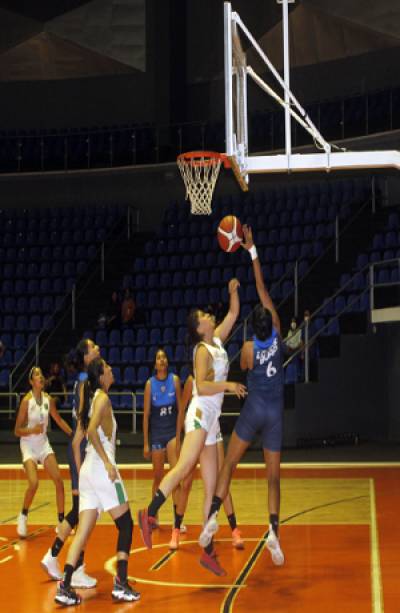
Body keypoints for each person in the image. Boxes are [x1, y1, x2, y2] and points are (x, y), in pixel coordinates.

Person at [137, 278, 246, 577]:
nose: (210, 317)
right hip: (199, 412)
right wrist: (228, 384)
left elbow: (234, 314)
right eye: (204, 317)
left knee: (212, 487)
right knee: (184, 467)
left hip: (212, 420)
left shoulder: (219, 342)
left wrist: (233, 292)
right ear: (199, 328)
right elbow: (201, 385)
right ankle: (148, 513)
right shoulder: (201, 349)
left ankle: (207, 550)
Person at [199, 225, 285, 573]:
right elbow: (263, 289)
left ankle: (212, 519)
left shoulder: (248, 348)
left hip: (252, 410)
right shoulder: (278, 334)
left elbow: (246, 366)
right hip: (275, 413)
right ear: (273, 323)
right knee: (273, 479)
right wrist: (252, 251)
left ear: (253, 328)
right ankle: (274, 533)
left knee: (230, 465)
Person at [55, 358, 140, 606]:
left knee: (82, 531)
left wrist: (85, 474)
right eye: (108, 369)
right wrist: (106, 463)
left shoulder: (93, 400)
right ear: (101, 376)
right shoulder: (102, 397)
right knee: (126, 524)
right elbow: (91, 432)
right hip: (101, 468)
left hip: (89, 472)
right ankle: (121, 584)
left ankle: (65, 585)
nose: (112, 370)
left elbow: (78, 441)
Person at [41, 339, 100, 588]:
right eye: (94, 347)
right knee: (82, 511)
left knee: (81, 511)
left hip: (80, 451)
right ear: (86, 356)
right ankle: (71, 566)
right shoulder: (86, 382)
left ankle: (54, 556)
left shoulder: (84, 380)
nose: (98, 349)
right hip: (80, 452)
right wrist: (83, 458)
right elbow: (82, 424)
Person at [169, 372, 243, 551]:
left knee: (221, 479)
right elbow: (182, 408)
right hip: (195, 426)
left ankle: (234, 529)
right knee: (186, 483)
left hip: (212, 429)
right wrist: (179, 440)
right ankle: (176, 529)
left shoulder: (218, 375)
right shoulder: (191, 380)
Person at [14, 366, 72, 538]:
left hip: (43, 444)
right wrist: (32, 430)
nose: (40, 376)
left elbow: (59, 419)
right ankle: (23, 515)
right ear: (31, 382)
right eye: (36, 374)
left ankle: (61, 522)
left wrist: (73, 433)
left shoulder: (48, 400)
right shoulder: (26, 401)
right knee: (34, 483)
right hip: (28, 445)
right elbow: (17, 430)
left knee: (59, 481)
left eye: (41, 373)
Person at [142, 348, 185, 530]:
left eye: (164, 357)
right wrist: (146, 442)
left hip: (172, 434)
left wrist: (180, 435)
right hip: (157, 435)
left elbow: (181, 411)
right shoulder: (149, 384)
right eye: (158, 357)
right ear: (155, 364)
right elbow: (145, 416)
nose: (161, 360)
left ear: (167, 362)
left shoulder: (174, 381)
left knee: (175, 477)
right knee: (158, 477)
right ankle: (153, 517)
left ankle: (178, 521)